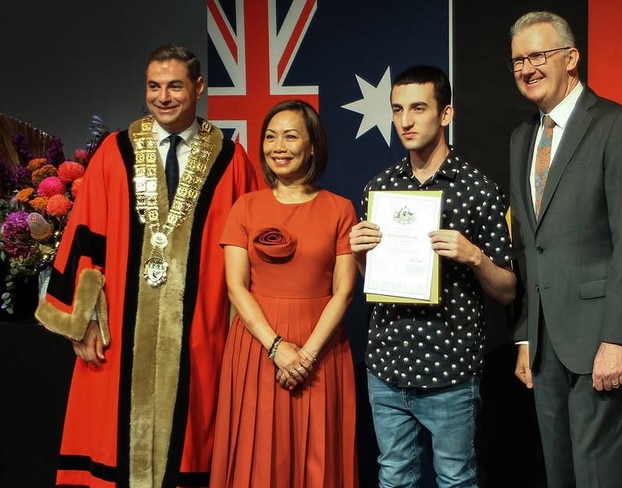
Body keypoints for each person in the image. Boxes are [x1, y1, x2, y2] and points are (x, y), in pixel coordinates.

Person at [35, 44, 259, 488]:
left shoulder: (232, 160)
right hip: (119, 326)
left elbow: (248, 252)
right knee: (112, 442)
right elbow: (86, 236)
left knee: (195, 441)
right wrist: (84, 321)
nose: (163, 97)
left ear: (198, 87)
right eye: (154, 86)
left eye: (175, 86)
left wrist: (242, 333)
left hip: (201, 331)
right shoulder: (115, 152)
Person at [350, 65, 516, 488]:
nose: (405, 121)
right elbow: (375, 280)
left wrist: (475, 256)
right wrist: (360, 255)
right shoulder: (378, 188)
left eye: (418, 108)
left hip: (451, 369)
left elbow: (507, 290)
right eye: (397, 110)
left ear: (445, 115)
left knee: (456, 478)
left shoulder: (479, 190)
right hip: (386, 363)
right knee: (393, 476)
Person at [508, 11, 622, 488]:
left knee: (600, 478)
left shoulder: (618, 125)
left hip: (601, 343)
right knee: (560, 477)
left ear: (571, 58)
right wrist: (528, 334)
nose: (527, 68)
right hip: (546, 348)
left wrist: (618, 339)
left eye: (538, 56)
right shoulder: (522, 138)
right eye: (518, 60)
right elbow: (531, 246)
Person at [209, 99, 359, 487]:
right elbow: (235, 286)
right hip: (257, 348)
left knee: (319, 459)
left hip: (321, 348)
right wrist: (277, 348)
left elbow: (343, 292)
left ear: (312, 147)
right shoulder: (245, 207)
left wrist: (305, 355)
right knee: (257, 462)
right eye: (271, 137)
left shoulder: (341, 209)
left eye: (291, 136)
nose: (278, 146)